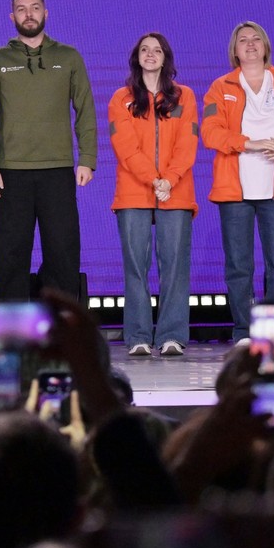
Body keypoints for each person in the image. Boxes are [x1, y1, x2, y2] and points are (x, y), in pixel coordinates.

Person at [0, 0, 97, 301]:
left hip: (57, 170)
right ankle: (13, 325)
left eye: (34, 7)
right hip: (10, 173)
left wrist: (87, 158)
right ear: (12, 17)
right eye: (21, 9)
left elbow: (85, 108)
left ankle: (60, 323)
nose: (28, 14)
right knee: (10, 254)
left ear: (46, 13)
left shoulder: (69, 57)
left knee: (63, 252)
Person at [200, 21, 274, 341]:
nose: (250, 44)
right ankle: (244, 330)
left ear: (265, 46)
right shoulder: (220, 87)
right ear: (234, 50)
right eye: (243, 40)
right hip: (234, 188)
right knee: (239, 265)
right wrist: (249, 143)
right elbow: (210, 132)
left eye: (256, 39)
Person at [106, 32, 198, 357]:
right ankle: (139, 336)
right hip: (134, 193)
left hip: (177, 191)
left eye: (156, 50)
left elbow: (188, 144)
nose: (150, 54)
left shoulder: (185, 96)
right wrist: (154, 179)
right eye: (144, 49)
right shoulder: (121, 99)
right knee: (135, 266)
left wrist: (169, 180)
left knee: (175, 266)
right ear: (136, 57)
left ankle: (172, 335)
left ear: (165, 57)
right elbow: (125, 147)